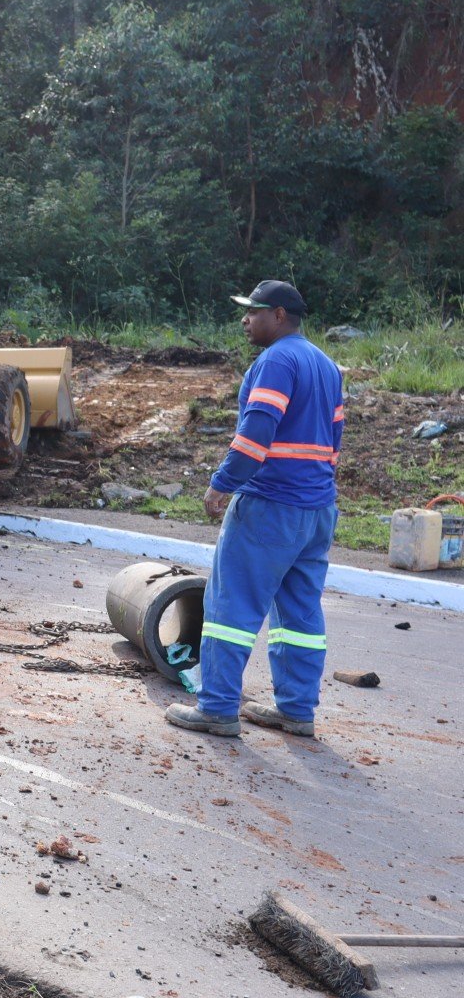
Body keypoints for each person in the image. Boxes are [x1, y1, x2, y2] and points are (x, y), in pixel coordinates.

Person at [166, 280, 343, 739]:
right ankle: (297, 710)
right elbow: (335, 439)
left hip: (269, 506)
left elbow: (255, 435)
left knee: (232, 606)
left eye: (253, 311)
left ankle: (218, 708)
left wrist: (222, 484)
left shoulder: (276, 361)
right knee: (301, 614)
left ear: (279, 315)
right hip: (317, 509)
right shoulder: (325, 365)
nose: (245, 319)